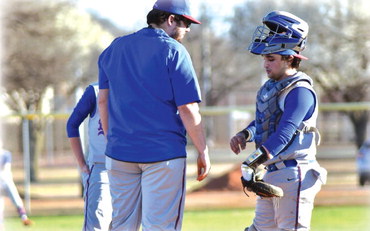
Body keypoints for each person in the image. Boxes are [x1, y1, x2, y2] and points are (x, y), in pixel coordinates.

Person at [97, 0, 211, 230]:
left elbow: (103, 100)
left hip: (120, 154)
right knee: (160, 226)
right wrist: (203, 150)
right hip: (163, 155)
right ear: (170, 20)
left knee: (121, 225)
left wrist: (113, 139)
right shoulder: (174, 50)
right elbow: (188, 109)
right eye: (185, 22)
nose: (188, 29)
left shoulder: (115, 47)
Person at [230, 11, 327, 231]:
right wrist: (244, 134)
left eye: (271, 58)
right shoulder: (273, 88)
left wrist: (253, 160)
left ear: (290, 58)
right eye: (265, 57)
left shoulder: (299, 91)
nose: (265, 63)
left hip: (295, 173)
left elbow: (285, 132)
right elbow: (266, 122)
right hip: (273, 172)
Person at [66, 82, 112, 231]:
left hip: (130, 169)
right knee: (97, 224)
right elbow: (72, 124)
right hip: (101, 167)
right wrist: (81, 163)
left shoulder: (136, 86)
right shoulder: (96, 91)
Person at [0, 146, 33, 230]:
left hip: (6, 180)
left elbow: (6, 168)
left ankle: (24, 218)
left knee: (16, 199)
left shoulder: (5, 154)